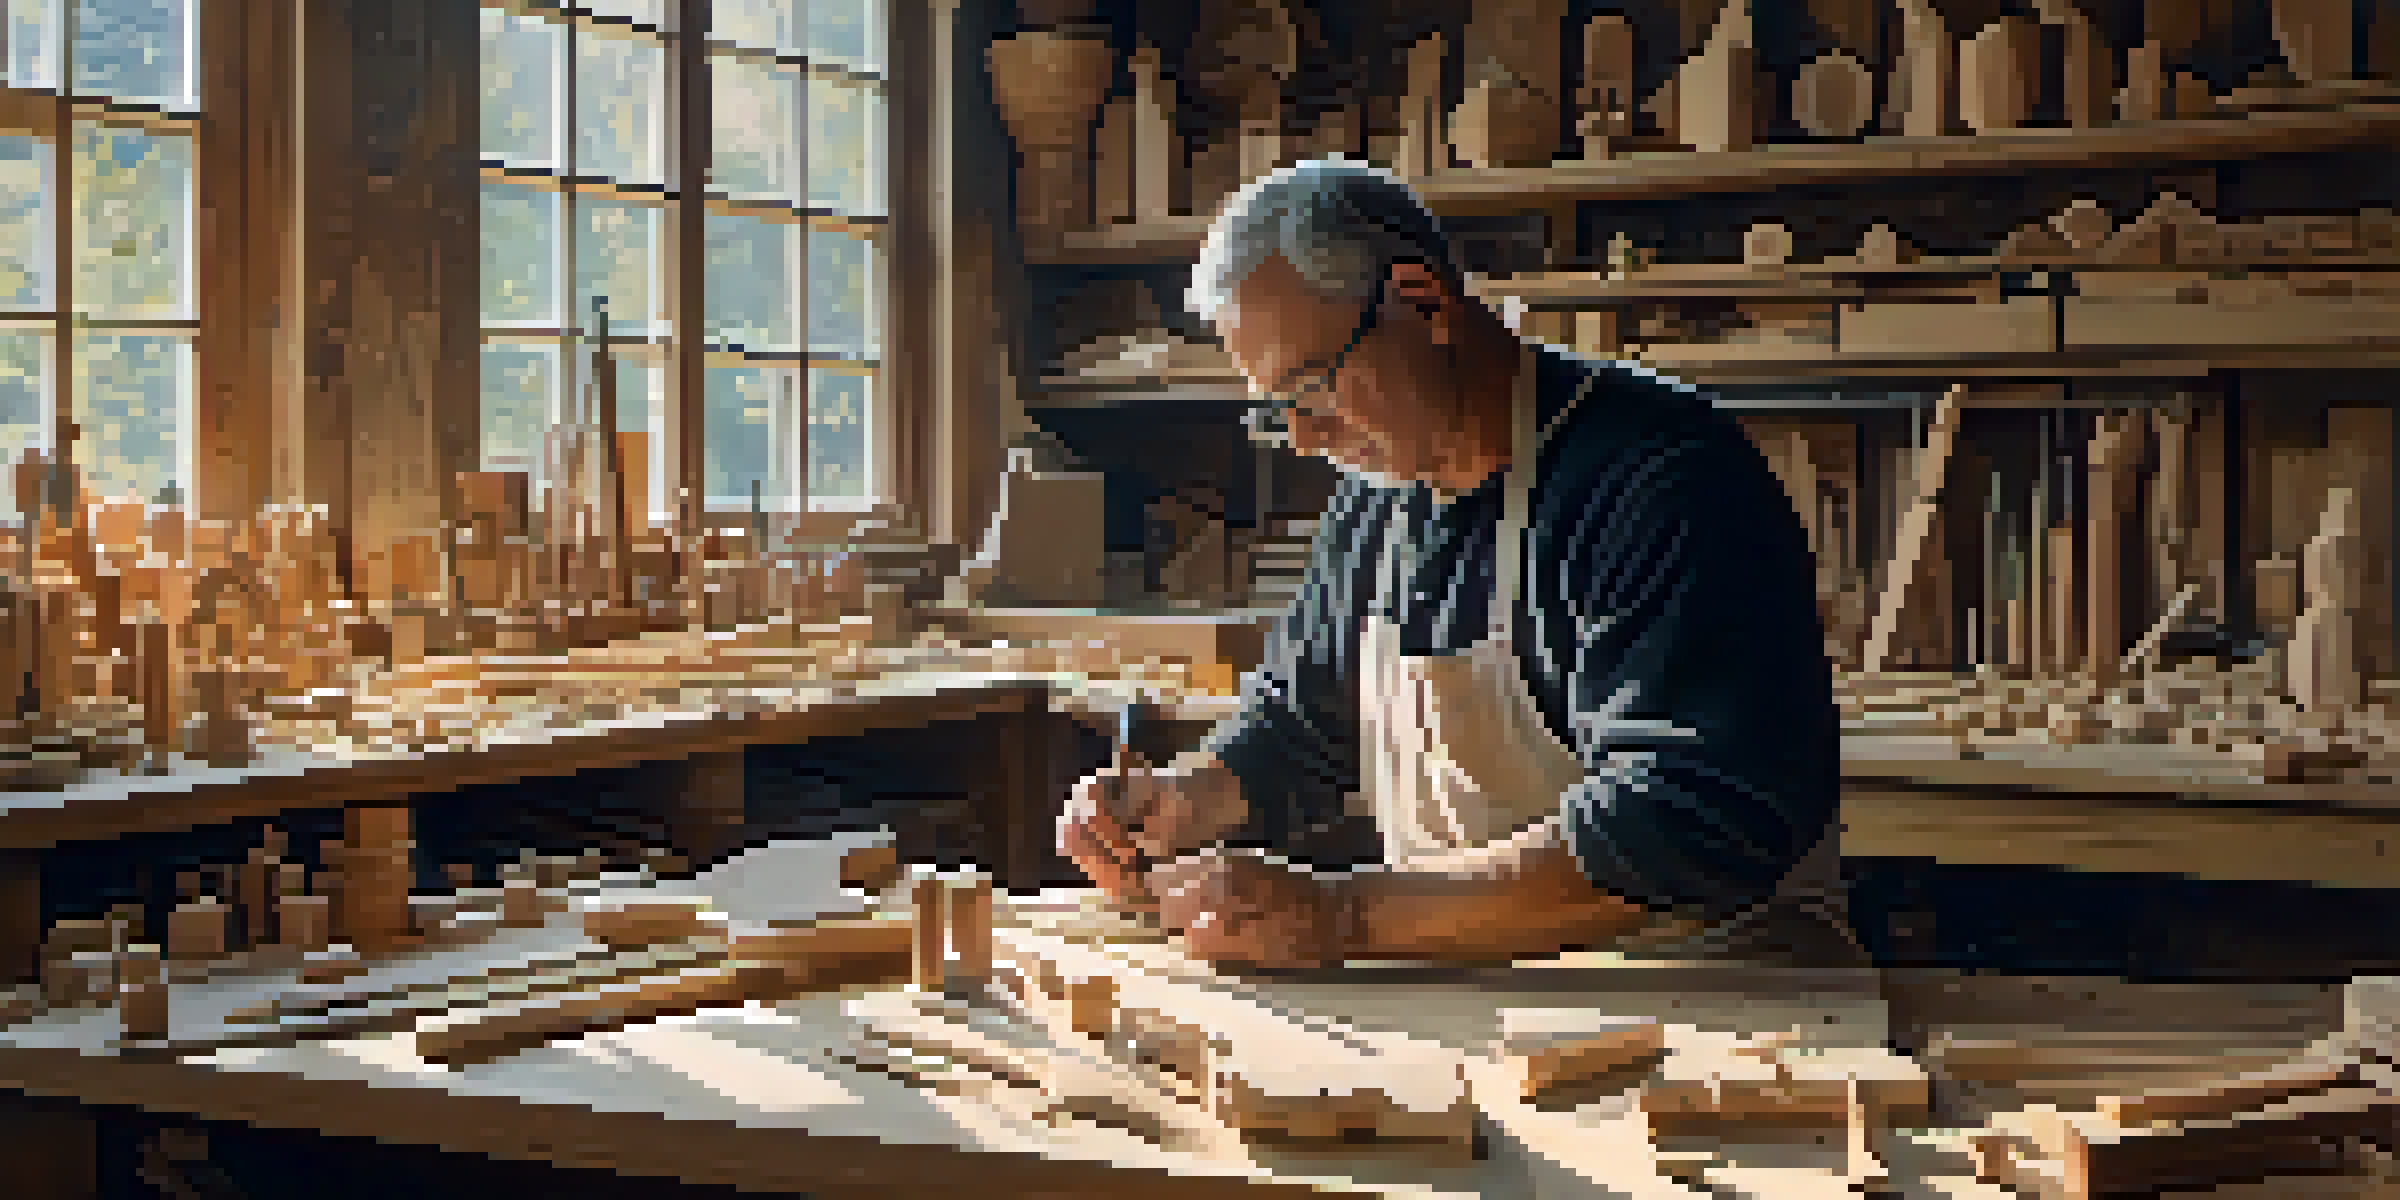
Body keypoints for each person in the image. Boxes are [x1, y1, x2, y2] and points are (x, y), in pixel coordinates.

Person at [1059, 159, 1862, 971]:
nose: (1303, 437)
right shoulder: (1376, 493)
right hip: (1483, 995)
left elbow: (1686, 822)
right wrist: (1182, 800)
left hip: (1712, 1008)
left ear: (1423, 301)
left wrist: (1345, 919)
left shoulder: (1662, 480)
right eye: (1278, 409)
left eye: (1314, 387)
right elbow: (1298, 729)